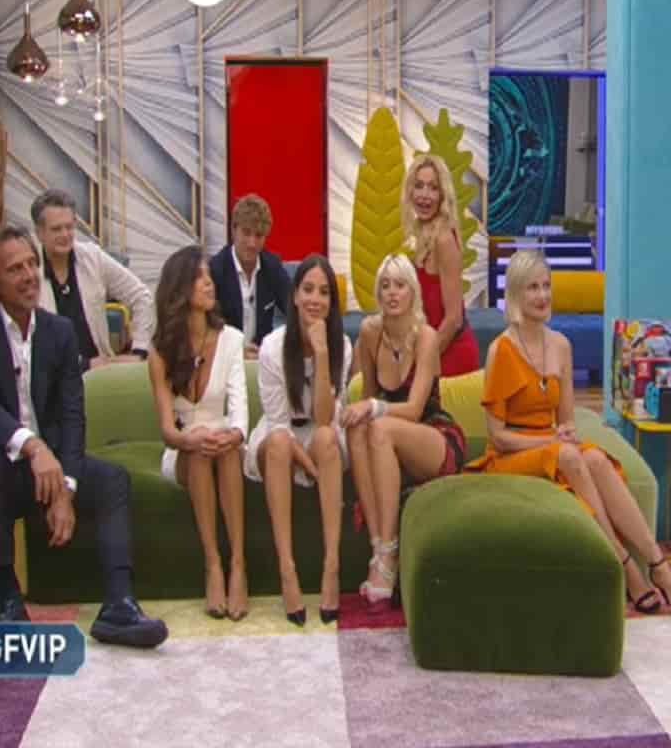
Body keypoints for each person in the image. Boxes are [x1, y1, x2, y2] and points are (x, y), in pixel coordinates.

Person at [0, 225, 168, 647]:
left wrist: (66, 487)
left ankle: (119, 605)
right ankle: (8, 599)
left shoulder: (59, 332)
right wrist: (34, 448)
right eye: (15, 268)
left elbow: (71, 415)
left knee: (113, 481)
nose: (29, 275)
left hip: (50, 469)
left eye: (32, 264)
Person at [468, 250, 671, 618]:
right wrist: (553, 441)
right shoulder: (501, 350)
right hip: (511, 455)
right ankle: (625, 566)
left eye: (546, 286)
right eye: (532, 288)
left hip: (554, 447)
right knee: (571, 455)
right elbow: (498, 437)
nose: (543, 295)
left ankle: (658, 564)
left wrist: (565, 433)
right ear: (515, 294)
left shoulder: (561, 345)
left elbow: (566, 422)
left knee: (595, 459)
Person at [341, 255, 468, 609]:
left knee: (378, 426)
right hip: (387, 435)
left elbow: (412, 409)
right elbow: (369, 393)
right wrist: (358, 412)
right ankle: (378, 546)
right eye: (385, 286)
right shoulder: (370, 333)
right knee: (358, 430)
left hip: (433, 433)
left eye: (400, 285)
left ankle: (390, 551)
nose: (392, 293)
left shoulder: (426, 336)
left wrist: (372, 408)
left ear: (413, 292)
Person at [245, 255, 352, 626]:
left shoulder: (342, 345)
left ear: (332, 303)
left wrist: (321, 354)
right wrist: (314, 471)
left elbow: (324, 418)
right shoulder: (272, 347)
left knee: (325, 436)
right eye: (308, 289)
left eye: (324, 292)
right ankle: (287, 570)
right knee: (277, 443)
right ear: (294, 296)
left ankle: (331, 567)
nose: (315, 300)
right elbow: (279, 424)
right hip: (281, 434)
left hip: (319, 432)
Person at [149, 246, 249, 620]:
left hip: (224, 443)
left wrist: (236, 434)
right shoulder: (160, 351)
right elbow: (166, 430)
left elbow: (239, 406)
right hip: (183, 450)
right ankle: (213, 565)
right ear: (179, 289)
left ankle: (238, 565)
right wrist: (187, 439)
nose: (209, 283)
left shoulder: (231, 340)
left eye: (209, 276)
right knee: (199, 450)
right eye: (199, 278)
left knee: (223, 447)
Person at [31, 189, 154, 368]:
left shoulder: (92, 257)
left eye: (69, 227)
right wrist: (85, 364)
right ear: (39, 233)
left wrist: (140, 350)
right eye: (56, 229)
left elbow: (141, 296)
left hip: (100, 372)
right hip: (53, 375)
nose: (65, 235)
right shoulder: (29, 270)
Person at [400, 154, 479, 376]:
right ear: (410, 191)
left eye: (433, 188)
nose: (425, 195)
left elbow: (453, 320)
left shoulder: (444, 240)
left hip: (449, 353)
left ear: (443, 195)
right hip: (429, 348)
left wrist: (421, 363)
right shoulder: (422, 234)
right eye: (419, 186)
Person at [209, 194, 293, 360]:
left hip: (262, 360)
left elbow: (295, 309)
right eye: (246, 233)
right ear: (234, 230)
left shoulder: (272, 267)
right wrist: (236, 353)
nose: (252, 243)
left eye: (259, 235)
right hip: (224, 360)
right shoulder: (215, 270)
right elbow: (206, 329)